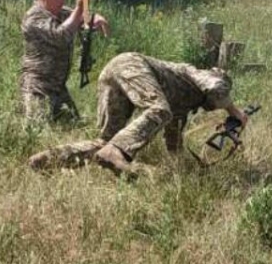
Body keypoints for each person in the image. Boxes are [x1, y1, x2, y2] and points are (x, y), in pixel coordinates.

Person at [27, 52, 247, 177]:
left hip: (115, 70)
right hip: (131, 65)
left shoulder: (185, 102)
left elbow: (174, 142)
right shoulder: (197, 74)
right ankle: (115, 152)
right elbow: (216, 87)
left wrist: (186, 170)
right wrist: (235, 111)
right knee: (159, 110)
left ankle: (49, 159)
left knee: (106, 141)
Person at [20, 0, 109, 122]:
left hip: (58, 88)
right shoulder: (33, 17)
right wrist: (79, 10)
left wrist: (96, 18)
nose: (64, 0)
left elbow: (83, 18)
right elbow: (61, 36)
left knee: (75, 126)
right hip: (38, 88)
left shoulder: (59, 11)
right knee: (39, 131)